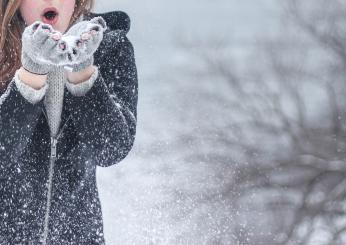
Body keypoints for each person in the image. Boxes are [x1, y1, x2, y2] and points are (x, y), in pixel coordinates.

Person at [0, 0, 138, 244]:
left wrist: (82, 72)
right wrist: (31, 73)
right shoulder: (2, 50)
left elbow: (112, 149)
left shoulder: (109, 48)